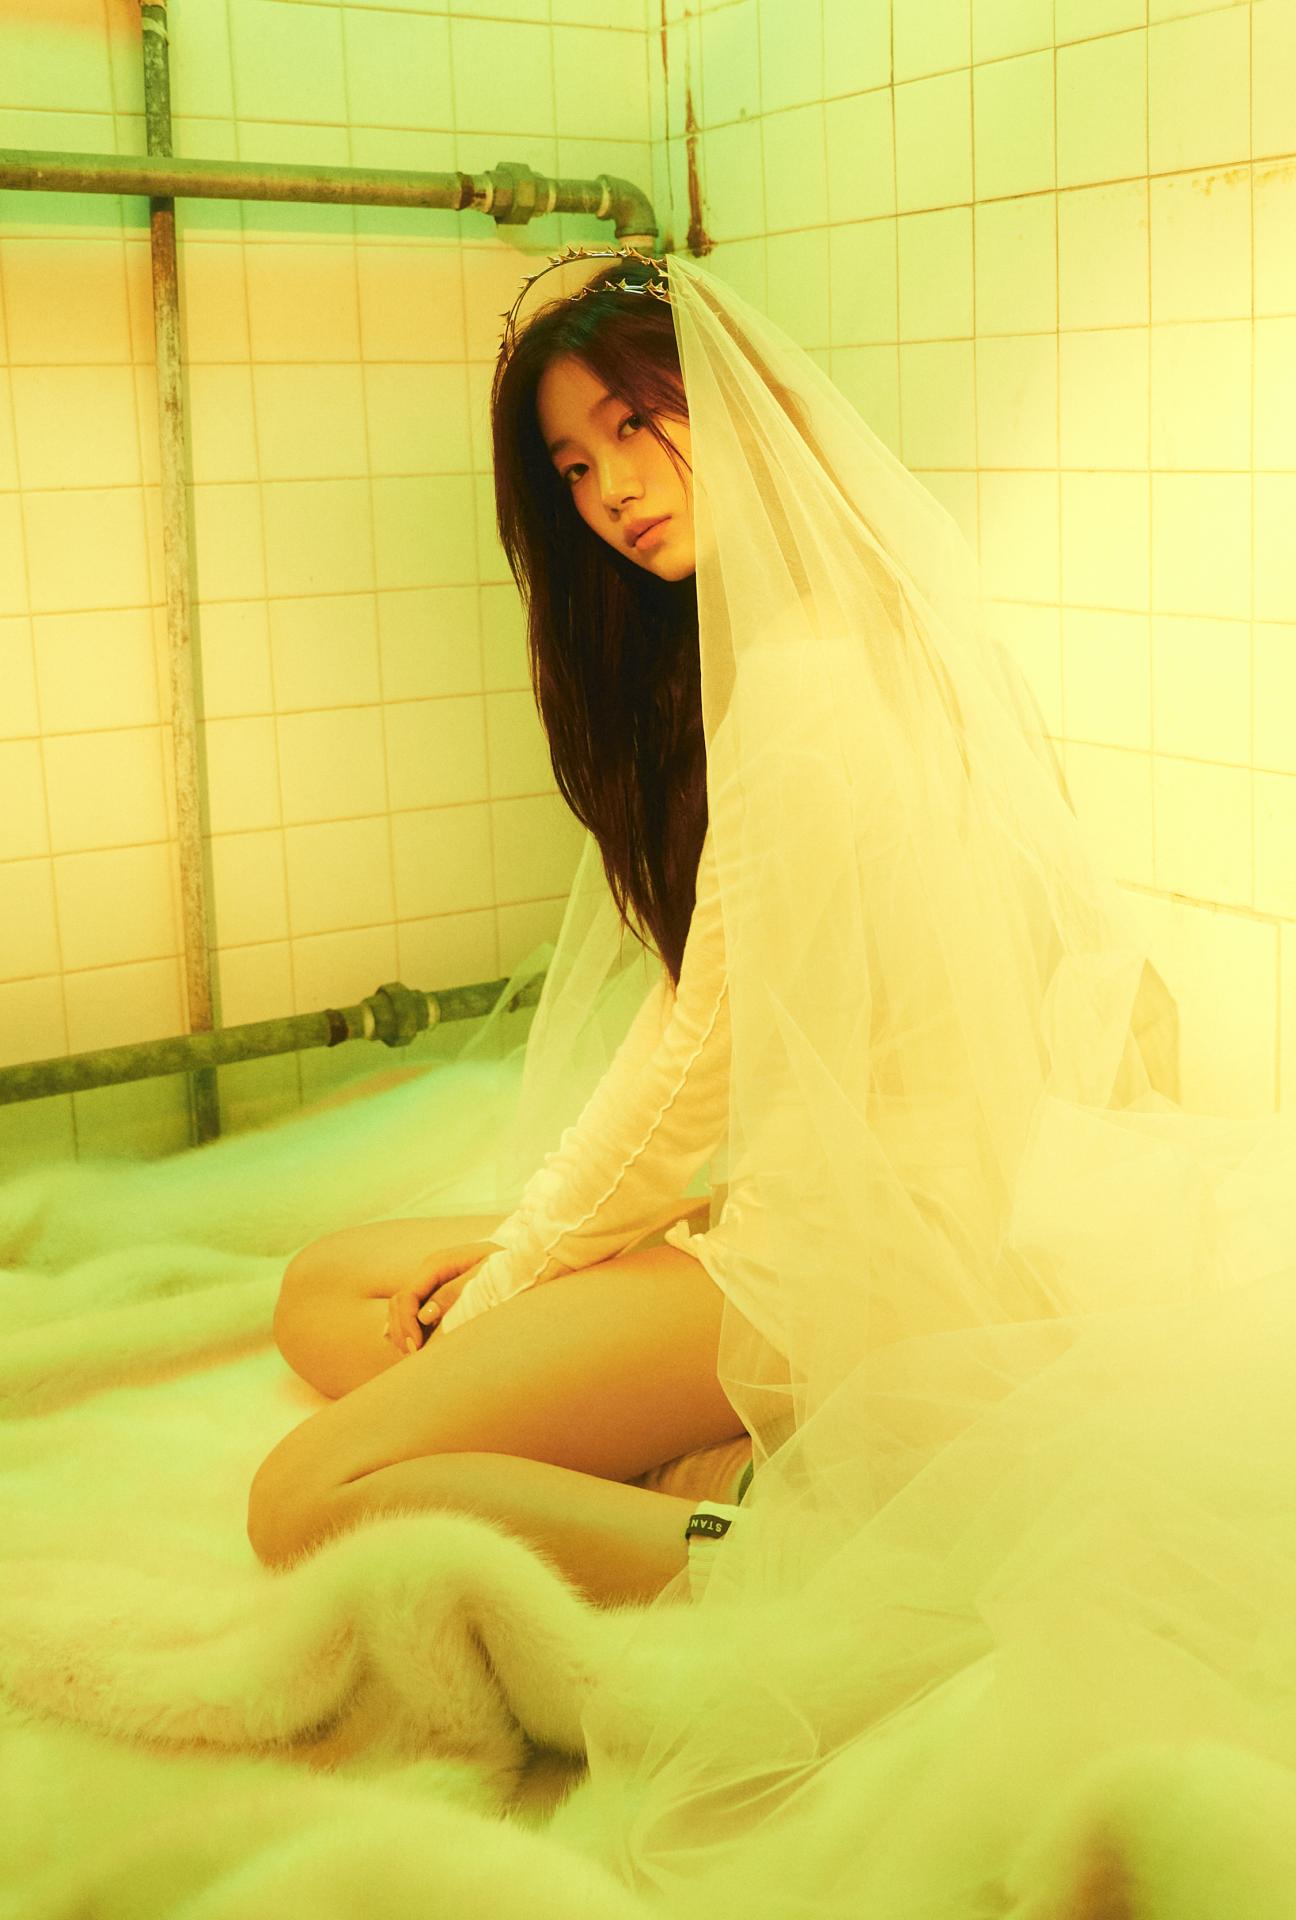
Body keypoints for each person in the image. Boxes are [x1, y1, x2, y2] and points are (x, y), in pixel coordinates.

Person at [251, 245, 1296, 1916]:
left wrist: (523, 1277)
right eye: (571, 468)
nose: (610, 492)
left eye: (634, 427)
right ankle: (666, 1452)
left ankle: (771, 1545)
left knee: (304, 1493)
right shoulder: (775, 651)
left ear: (732, 410)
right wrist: (532, 1262)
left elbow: (695, 1065)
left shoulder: (804, 685)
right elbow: (721, 1039)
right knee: (331, 1286)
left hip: (843, 1258)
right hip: (790, 1202)